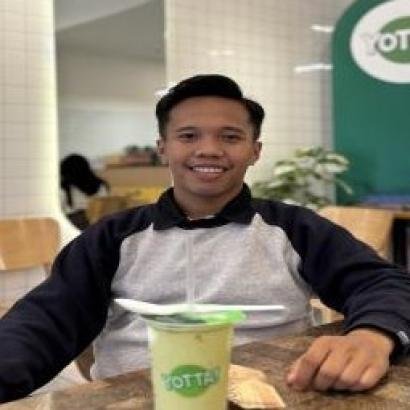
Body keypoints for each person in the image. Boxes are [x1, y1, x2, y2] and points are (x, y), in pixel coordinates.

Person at [1, 74, 409, 403]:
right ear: (163, 147)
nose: (209, 150)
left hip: (274, 395)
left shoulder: (295, 228)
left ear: (255, 150)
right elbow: (44, 321)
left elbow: (383, 282)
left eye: (230, 137)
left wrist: (372, 335)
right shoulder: (112, 237)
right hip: (139, 399)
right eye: (189, 136)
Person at [60, 154, 109, 229]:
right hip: (101, 225)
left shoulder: (65, 188)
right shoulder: (102, 185)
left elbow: (61, 210)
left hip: (77, 226)